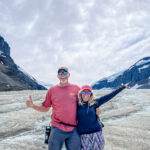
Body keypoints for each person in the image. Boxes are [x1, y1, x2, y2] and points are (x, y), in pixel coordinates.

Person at [26, 66, 100, 150]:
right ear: (57, 76)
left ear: (68, 75)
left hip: (74, 129)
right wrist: (33, 106)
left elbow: (86, 101)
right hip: (57, 128)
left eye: (65, 73)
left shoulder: (76, 88)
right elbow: (45, 108)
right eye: (60, 73)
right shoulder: (52, 90)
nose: (62, 75)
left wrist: (95, 110)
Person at [77, 84, 130, 150]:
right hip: (83, 135)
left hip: (96, 133)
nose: (86, 94)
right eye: (84, 92)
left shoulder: (95, 102)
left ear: (91, 94)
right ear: (80, 93)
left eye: (88, 92)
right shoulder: (77, 104)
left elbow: (109, 95)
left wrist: (122, 87)